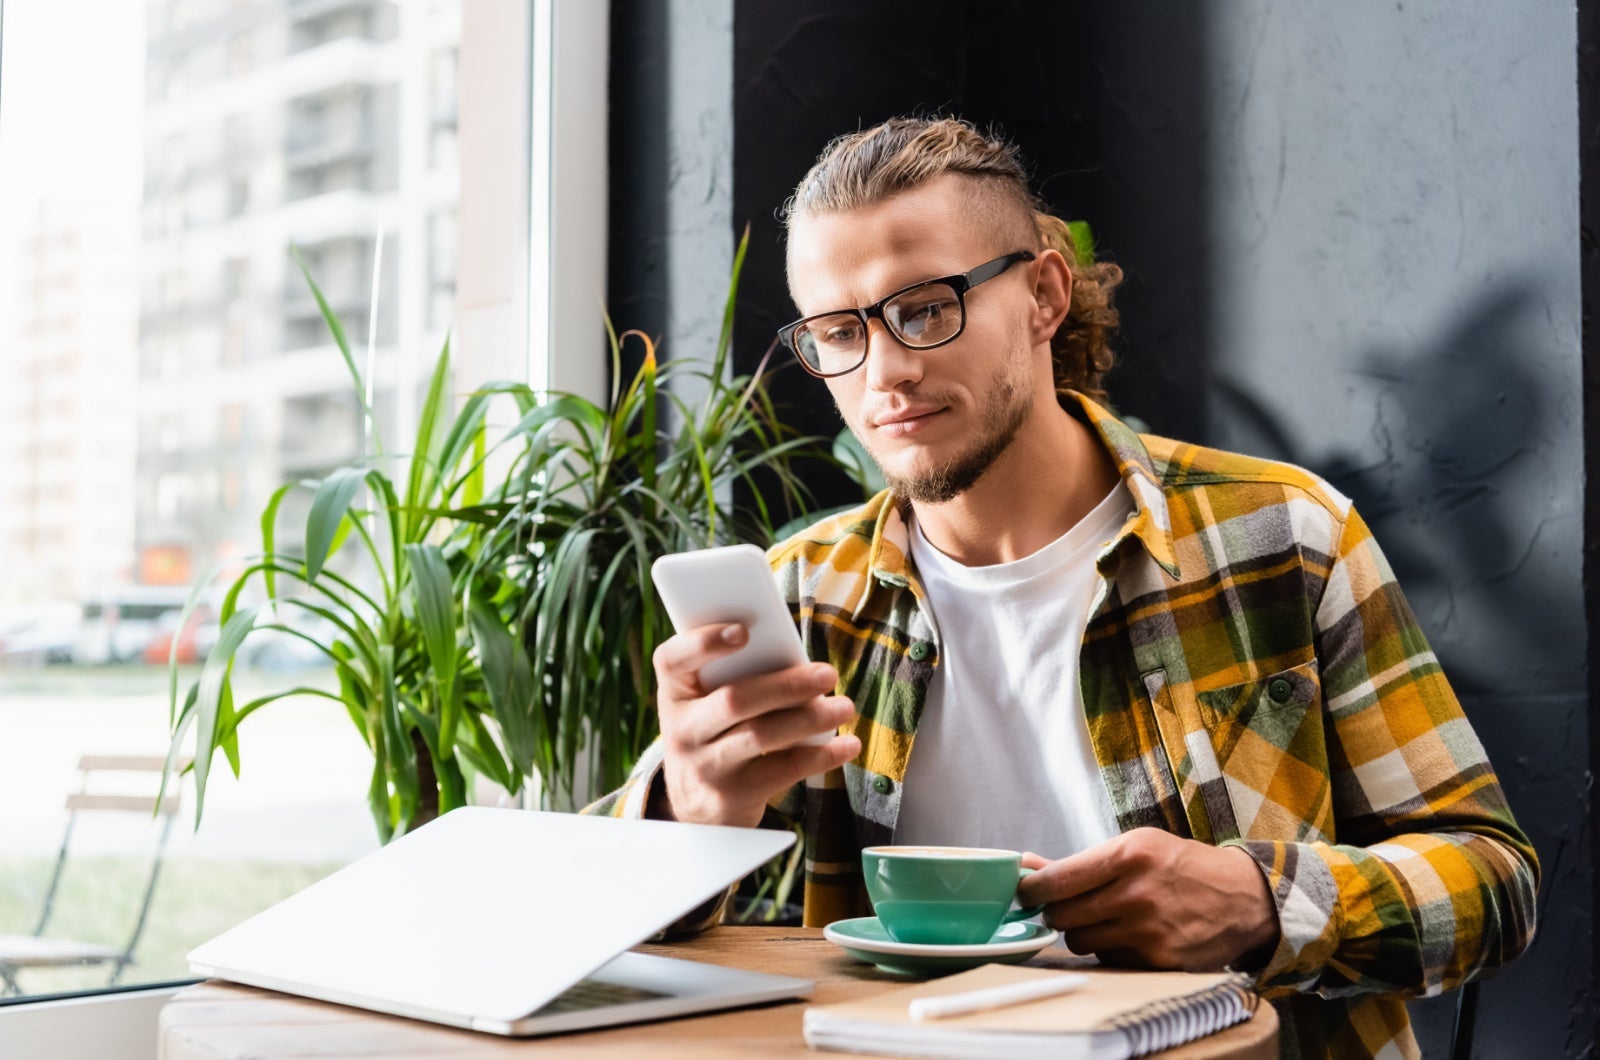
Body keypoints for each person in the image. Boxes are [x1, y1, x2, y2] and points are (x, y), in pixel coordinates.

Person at [584, 116, 1538, 1059]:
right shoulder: (805, 600)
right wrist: (691, 813)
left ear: (1043, 295)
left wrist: (1257, 902)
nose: (886, 373)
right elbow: (596, 935)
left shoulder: (1283, 536)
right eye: (839, 331)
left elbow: (1494, 883)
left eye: (923, 309)